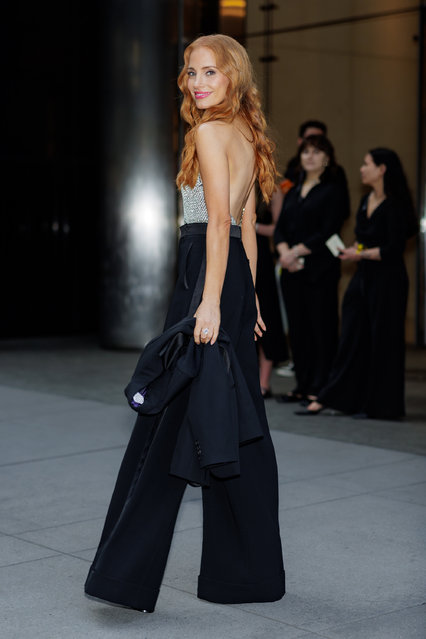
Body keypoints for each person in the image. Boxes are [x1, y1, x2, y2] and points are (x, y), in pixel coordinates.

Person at [84, 34, 285, 613]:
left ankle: (122, 576)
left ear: (234, 78)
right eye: (192, 72)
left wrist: (213, 303)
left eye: (210, 73)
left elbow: (220, 223)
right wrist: (252, 302)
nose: (198, 83)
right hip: (234, 283)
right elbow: (248, 225)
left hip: (208, 280)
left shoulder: (208, 132)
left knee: (164, 423)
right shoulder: (248, 135)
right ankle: (248, 575)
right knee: (241, 428)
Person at [298, 148, 418, 419]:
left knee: (384, 341)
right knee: (353, 336)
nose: (362, 169)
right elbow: (367, 240)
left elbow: (392, 249)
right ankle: (342, 399)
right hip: (364, 277)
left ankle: (382, 406)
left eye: (367, 164)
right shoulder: (366, 201)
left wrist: (359, 254)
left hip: (388, 280)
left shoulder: (395, 204)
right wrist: (355, 250)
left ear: (382, 169)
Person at [274, 135, 349, 403]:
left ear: (327, 159)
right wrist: (284, 253)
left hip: (320, 271)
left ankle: (321, 386)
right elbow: (280, 227)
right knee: (298, 329)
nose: (310, 156)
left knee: (321, 328)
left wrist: (295, 252)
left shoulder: (333, 190)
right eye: (306, 152)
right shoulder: (293, 190)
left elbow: (328, 230)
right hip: (291, 271)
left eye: (317, 152)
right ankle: (302, 385)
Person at [255, 186, 289, 397]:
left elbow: (279, 229)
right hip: (233, 253)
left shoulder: (272, 190)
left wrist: (251, 224)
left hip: (262, 259)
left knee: (266, 318)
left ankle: (263, 383)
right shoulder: (231, 178)